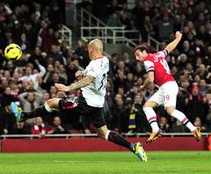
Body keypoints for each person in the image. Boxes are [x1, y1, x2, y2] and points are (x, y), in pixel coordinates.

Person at [12, 39, 147, 162]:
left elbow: (89, 79)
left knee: (52, 102)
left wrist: (68, 88)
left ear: (91, 49)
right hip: (97, 104)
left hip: (85, 102)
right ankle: (134, 147)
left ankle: (23, 116)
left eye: (88, 49)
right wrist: (82, 73)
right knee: (104, 133)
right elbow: (91, 74)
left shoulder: (95, 64)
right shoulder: (105, 60)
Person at [134, 31, 201, 143]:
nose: (136, 58)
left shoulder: (147, 62)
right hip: (165, 87)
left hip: (168, 85)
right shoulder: (158, 55)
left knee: (170, 110)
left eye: (138, 54)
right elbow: (169, 48)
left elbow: (150, 79)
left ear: (145, 52)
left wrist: (143, 88)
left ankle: (193, 128)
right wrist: (178, 38)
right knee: (147, 106)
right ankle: (155, 130)